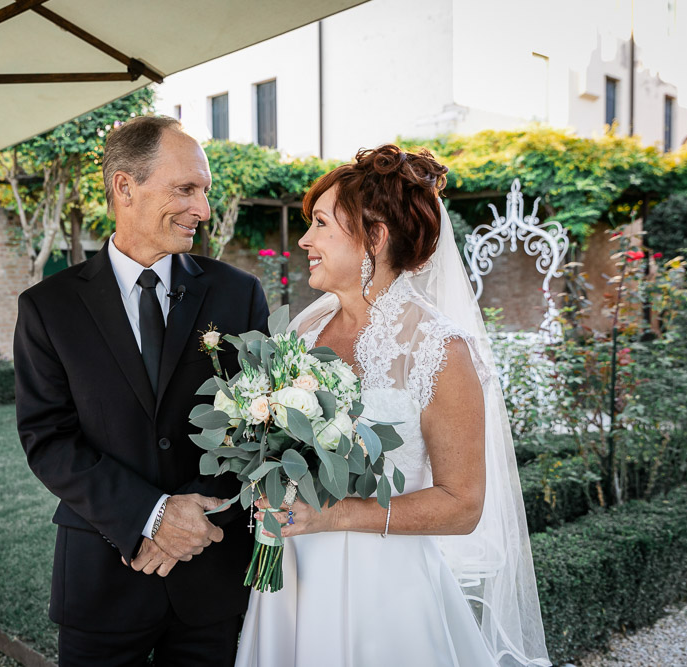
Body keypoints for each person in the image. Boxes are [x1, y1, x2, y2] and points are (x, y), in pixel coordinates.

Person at [235, 144, 550, 667]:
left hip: (384, 593)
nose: (305, 240)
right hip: (292, 575)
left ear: (374, 238)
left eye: (320, 224)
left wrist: (334, 517)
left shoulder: (440, 350)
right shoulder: (304, 328)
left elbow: (463, 504)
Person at [14, 115, 269, 666]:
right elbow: (47, 439)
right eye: (186, 188)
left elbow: (258, 424)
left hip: (213, 576)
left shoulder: (238, 295)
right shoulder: (48, 308)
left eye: (204, 190)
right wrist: (151, 516)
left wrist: (193, 521)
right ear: (125, 187)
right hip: (102, 580)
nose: (202, 208)